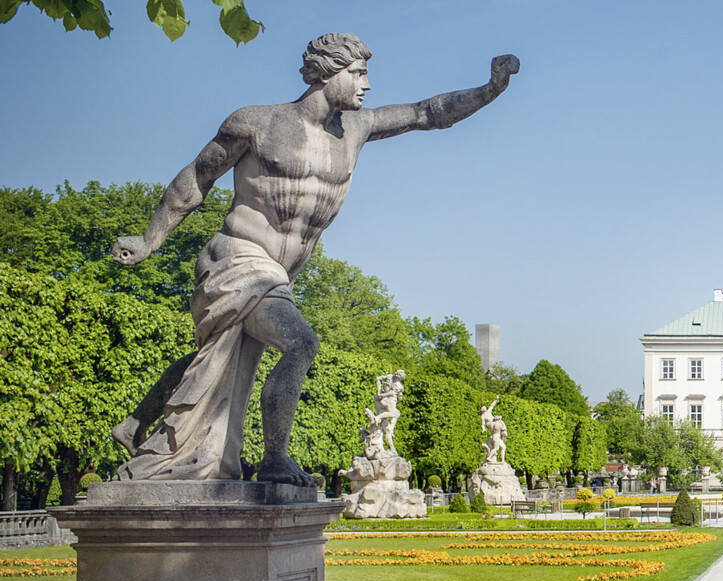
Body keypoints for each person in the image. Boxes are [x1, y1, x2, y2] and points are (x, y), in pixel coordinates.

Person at [108, 33, 519, 485]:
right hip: (237, 259)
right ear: (328, 72)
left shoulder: (356, 128)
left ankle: (134, 423)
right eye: (358, 74)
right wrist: (150, 240)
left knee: (221, 361)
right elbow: (196, 178)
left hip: (279, 275)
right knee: (301, 342)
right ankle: (274, 460)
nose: (366, 84)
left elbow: (426, 113)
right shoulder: (256, 123)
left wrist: (489, 90)